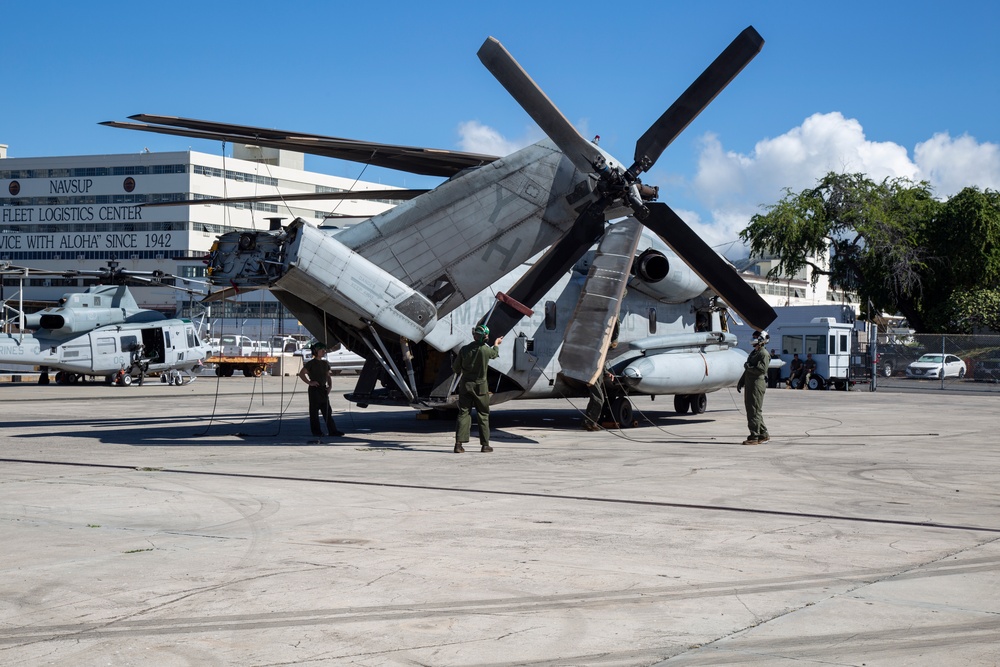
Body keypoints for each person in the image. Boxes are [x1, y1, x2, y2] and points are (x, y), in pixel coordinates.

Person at [452, 324, 503, 453]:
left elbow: (456, 368)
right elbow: (494, 353)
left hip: (465, 385)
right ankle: (485, 445)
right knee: (483, 414)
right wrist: (497, 343)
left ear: (475, 336)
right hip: (481, 387)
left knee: (463, 413)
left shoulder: (464, 350)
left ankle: (458, 444)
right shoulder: (485, 350)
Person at [297, 342, 344, 438]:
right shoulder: (311, 363)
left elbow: (328, 375)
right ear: (315, 351)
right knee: (314, 412)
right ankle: (316, 432)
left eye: (324, 350)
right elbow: (302, 373)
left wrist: (330, 386)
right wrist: (310, 382)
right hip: (314, 390)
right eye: (321, 350)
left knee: (327, 411)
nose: (324, 351)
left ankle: (333, 431)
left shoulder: (325, 363)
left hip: (323, 389)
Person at [737, 330, 770, 445]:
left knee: (754, 410)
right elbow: (747, 369)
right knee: (753, 410)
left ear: (762, 340)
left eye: (756, 337)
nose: (753, 338)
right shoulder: (754, 353)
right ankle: (763, 434)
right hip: (750, 383)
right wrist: (741, 381)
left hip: (756, 384)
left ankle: (754, 436)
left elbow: (762, 370)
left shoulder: (763, 354)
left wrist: (749, 366)